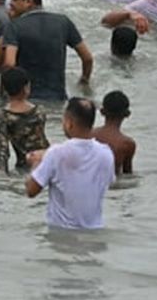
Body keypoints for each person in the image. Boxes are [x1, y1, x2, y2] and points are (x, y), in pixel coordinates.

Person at [25, 98, 115, 230]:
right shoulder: (106, 153)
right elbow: (107, 182)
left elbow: (31, 191)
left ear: (69, 123)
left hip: (62, 234)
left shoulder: (56, 152)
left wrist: (35, 163)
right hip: (95, 232)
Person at [3, 0, 93, 101]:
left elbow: (9, 64)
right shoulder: (63, 22)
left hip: (28, 100)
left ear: (28, 1)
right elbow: (87, 58)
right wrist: (84, 81)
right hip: (58, 99)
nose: (10, 4)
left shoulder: (14, 26)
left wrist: (4, 96)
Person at [0, 67, 51, 174]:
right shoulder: (39, 112)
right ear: (26, 87)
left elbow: (3, 150)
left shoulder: (2, 118)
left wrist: (2, 174)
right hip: (47, 160)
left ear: (5, 89)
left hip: (24, 165)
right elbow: (41, 141)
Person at [93, 90, 137, 175]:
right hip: (112, 185)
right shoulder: (127, 144)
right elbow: (127, 174)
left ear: (102, 111)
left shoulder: (88, 134)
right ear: (127, 114)